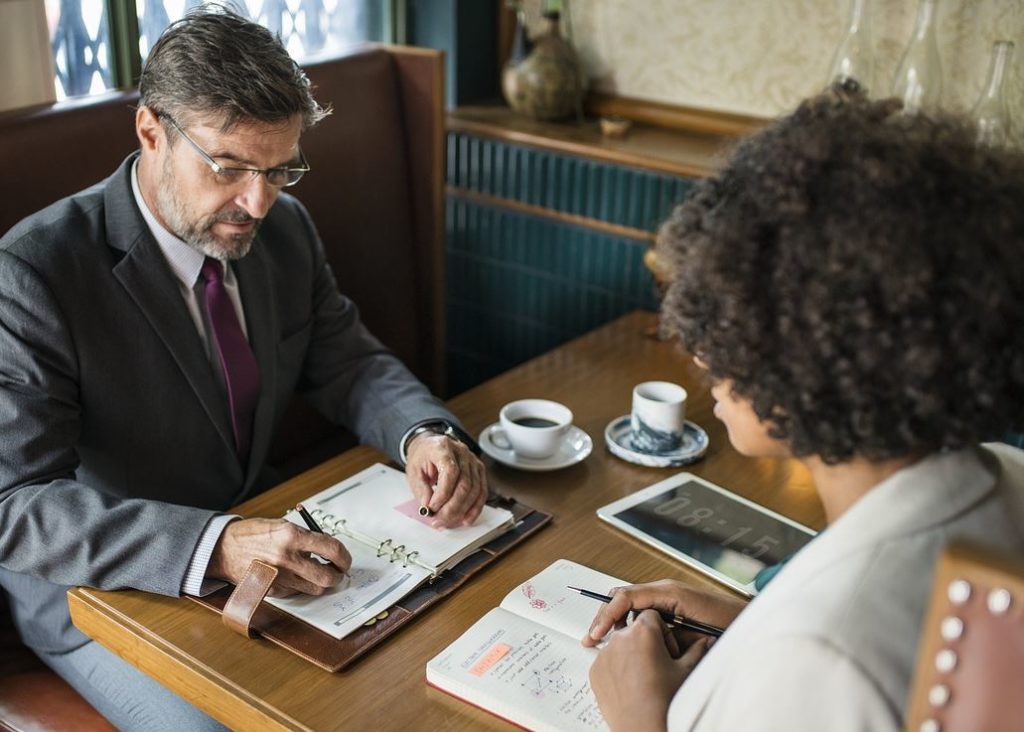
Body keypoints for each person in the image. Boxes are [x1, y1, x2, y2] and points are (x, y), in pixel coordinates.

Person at [0, 7, 486, 729]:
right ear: (150, 133)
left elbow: (346, 359)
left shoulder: (284, 231)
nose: (257, 202)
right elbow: (17, 507)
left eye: (281, 168)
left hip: (266, 545)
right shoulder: (35, 272)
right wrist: (216, 542)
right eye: (228, 167)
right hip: (104, 595)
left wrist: (423, 432)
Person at [582, 84, 1024, 731]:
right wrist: (756, 630)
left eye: (722, 325)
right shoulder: (1008, 475)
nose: (700, 356)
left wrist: (640, 717)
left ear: (809, 354)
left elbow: (842, 654)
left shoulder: (822, 653)